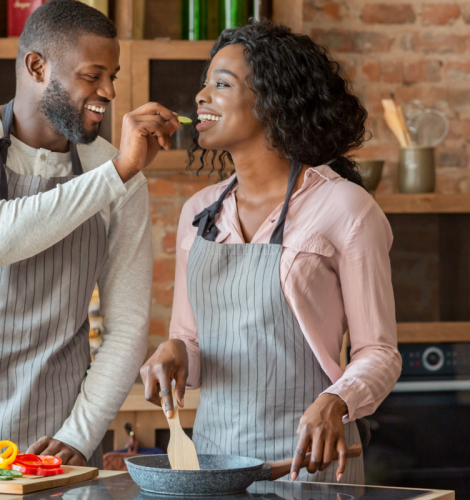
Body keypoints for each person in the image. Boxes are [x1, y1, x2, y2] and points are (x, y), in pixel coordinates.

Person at [0, 0, 181, 468]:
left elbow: (127, 327)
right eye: (93, 75)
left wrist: (80, 433)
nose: (109, 91)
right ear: (37, 66)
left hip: (51, 436)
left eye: (113, 75)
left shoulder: (117, 174)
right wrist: (118, 171)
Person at [140, 20, 401, 483]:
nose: (200, 96)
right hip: (213, 465)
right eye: (204, 84)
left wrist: (336, 400)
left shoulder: (344, 207)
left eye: (221, 85)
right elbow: (193, 341)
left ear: (273, 100)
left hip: (308, 463)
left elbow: (379, 352)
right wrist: (174, 351)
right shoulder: (200, 213)